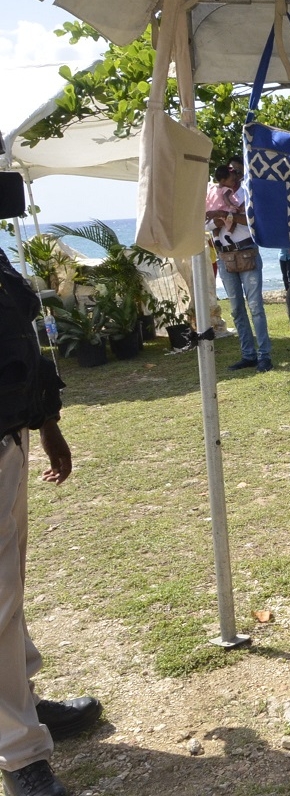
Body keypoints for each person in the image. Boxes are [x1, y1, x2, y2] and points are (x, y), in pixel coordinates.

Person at [1, 253, 103, 796]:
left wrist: (46, 421)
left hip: (9, 433)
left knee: (9, 591)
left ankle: (20, 703)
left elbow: (20, 331)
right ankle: (19, 753)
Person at [206, 162, 272, 373]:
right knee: (236, 309)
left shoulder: (248, 193)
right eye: (232, 175)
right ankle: (249, 355)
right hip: (226, 256)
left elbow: (256, 220)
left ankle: (263, 355)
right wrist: (223, 219)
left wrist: (224, 217)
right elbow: (205, 222)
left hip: (245, 252)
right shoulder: (215, 193)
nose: (235, 179)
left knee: (255, 307)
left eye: (236, 174)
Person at [205, 164, 242, 246]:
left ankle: (216, 238)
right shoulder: (227, 189)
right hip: (224, 210)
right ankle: (228, 234)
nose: (234, 182)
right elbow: (226, 198)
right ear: (223, 181)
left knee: (216, 228)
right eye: (232, 180)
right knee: (233, 221)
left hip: (213, 210)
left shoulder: (212, 188)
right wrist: (231, 205)